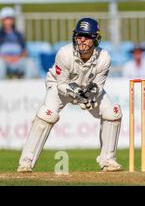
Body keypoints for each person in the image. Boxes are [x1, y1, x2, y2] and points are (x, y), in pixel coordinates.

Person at [17, 18, 122, 172]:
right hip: (60, 87)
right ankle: (26, 162)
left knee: (113, 113)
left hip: (87, 89)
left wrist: (90, 97)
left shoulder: (104, 58)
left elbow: (98, 86)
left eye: (86, 36)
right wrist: (77, 94)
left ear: (96, 38)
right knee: (47, 115)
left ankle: (108, 160)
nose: (82, 40)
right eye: (79, 36)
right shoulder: (64, 53)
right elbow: (61, 84)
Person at [0, 7, 38, 79]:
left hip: (18, 60)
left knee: (30, 63)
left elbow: (25, 51)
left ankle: (27, 87)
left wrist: (18, 57)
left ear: (13, 20)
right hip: (4, 61)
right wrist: (6, 58)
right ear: (2, 20)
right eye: (6, 19)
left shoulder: (19, 35)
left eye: (10, 19)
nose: (8, 21)